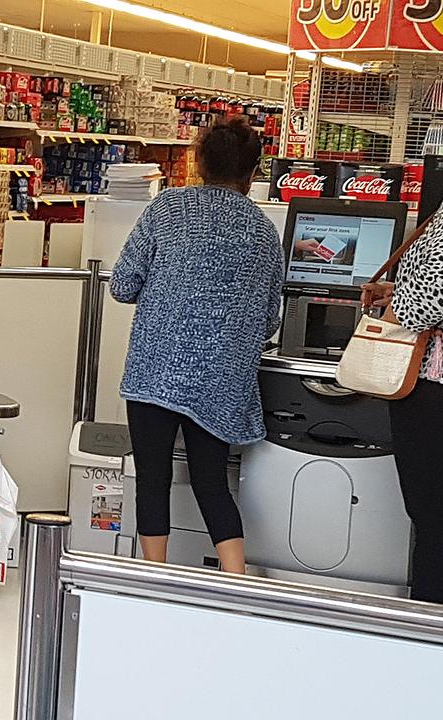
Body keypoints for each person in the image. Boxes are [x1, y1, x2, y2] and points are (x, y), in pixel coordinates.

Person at [109, 116, 284, 574]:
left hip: (155, 369)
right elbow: (269, 320)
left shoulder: (167, 209)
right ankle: (236, 582)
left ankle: (156, 579)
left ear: (199, 162)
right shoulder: (264, 232)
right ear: (252, 171)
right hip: (222, 377)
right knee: (212, 481)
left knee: (153, 477)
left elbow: (123, 285)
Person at [360, 135, 443, 606]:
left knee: (439, 519)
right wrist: (398, 289)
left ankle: (433, 629)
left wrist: (401, 305)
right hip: (435, 380)